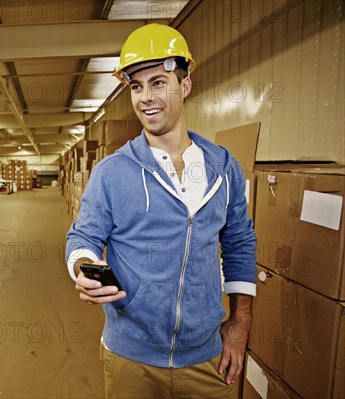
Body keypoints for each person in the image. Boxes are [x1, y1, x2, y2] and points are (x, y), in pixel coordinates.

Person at [66, 24, 256, 399]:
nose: (145, 98)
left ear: (184, 86)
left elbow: (239, 244)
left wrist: (240, 323)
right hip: (131, 357)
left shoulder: (223, 168)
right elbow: (83, 237)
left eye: (158, 82)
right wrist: (83, 265)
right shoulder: (112, 172)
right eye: (136, 86)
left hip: (205, 358)